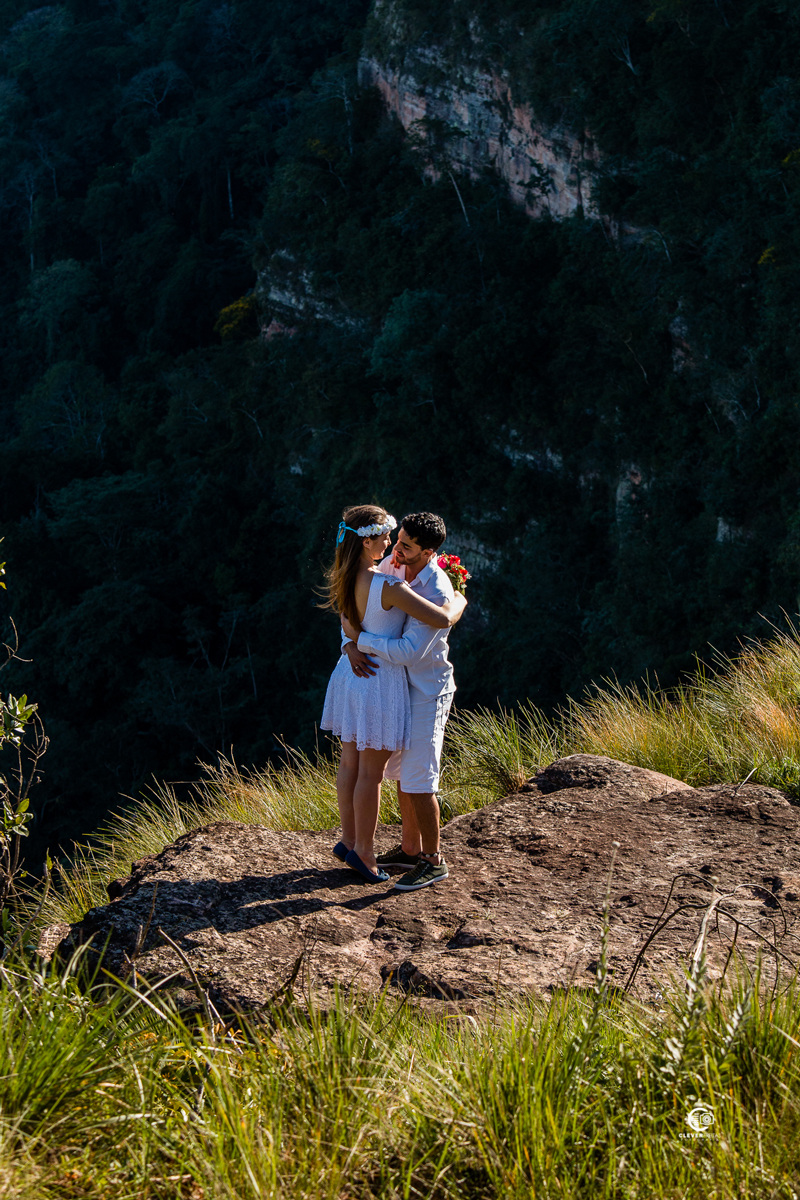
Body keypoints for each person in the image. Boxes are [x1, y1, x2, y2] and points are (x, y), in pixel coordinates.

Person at [320, 505, 464, 884]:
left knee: (353, 766)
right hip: (379, 682)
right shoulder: (388, 583)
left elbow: (348, 620)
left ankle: (352, 841)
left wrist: (352, 645)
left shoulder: (346, 573)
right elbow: (437, 621)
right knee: (372, 773)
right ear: (368, 541)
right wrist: (458, 605)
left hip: (359, 678)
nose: (393, 546)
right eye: (389, 538)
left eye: (401, 542)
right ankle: (366, 853)